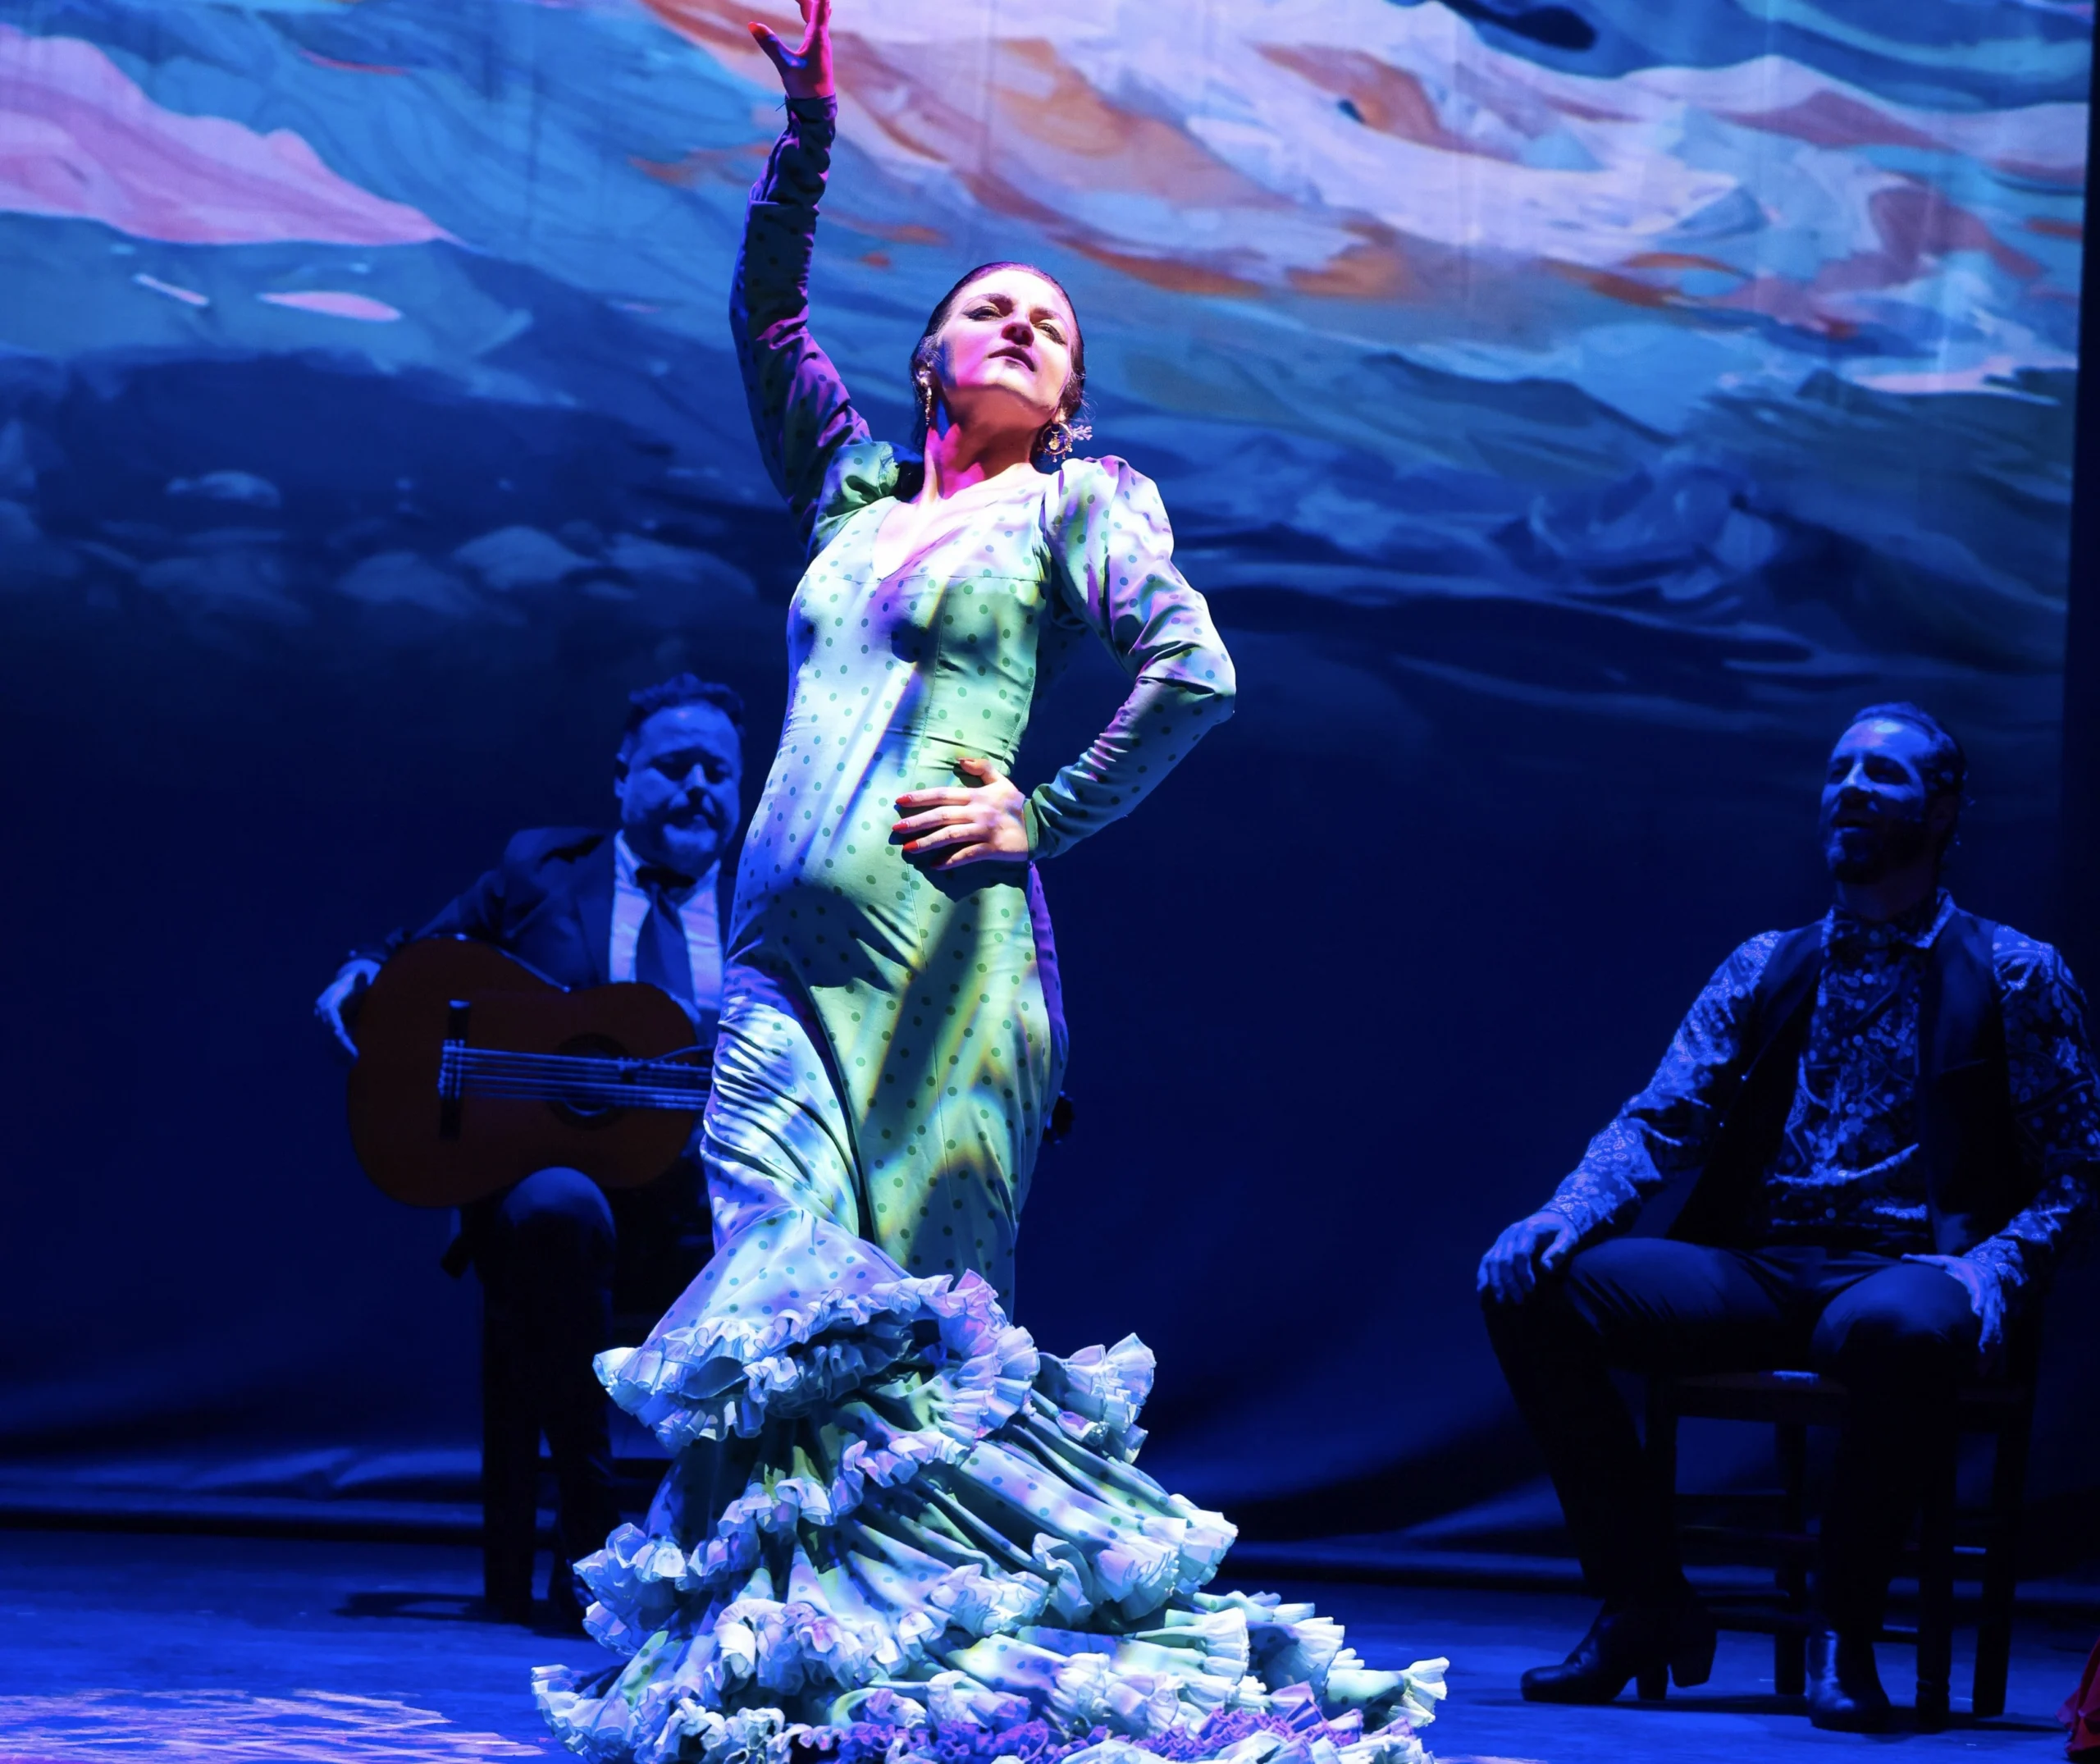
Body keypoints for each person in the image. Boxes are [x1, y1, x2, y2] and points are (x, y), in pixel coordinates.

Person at [529, 5, 1447, 1761]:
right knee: (773, 1298)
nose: (1022, 323)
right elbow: (767, 321)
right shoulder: (851, 497)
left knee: (923, 1360)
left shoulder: (1075, 506)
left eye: (1054, 323)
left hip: (948, 984)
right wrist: (807, 133)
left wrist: (1050, 810)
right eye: (990, 308)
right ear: (932, 360)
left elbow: (1195, 670)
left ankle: (940, 1693)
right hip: (780, 970)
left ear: (1070, 394)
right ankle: (786, 1686)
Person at [1478, 702, 2099, 1731]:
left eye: (1883, 774)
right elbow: (1661, 1117)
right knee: (1532, 1287)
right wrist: (1563, 1212)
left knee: (1900, 1328)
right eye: (1838, 769)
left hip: (1911, 1269)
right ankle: (1643, 1599)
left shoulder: (2016, 970)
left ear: (1943, 811)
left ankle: (1842, 1631)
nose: (1851, 786)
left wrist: (1991, 1268)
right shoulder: (1765, 962)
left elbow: (2078, 1168)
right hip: (1758, 1266)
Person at [315, 672, 746, 1626]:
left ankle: (752, 1549)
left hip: (712, 1202)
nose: (697, 788)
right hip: (561, 1202)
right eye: (675, 765)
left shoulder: (769, 896)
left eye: (719, 772)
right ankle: (591, 1519)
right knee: (558, 1204)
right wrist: (365, 970)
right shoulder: (542, 870)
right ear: (622, 775)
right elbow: (423, 956)